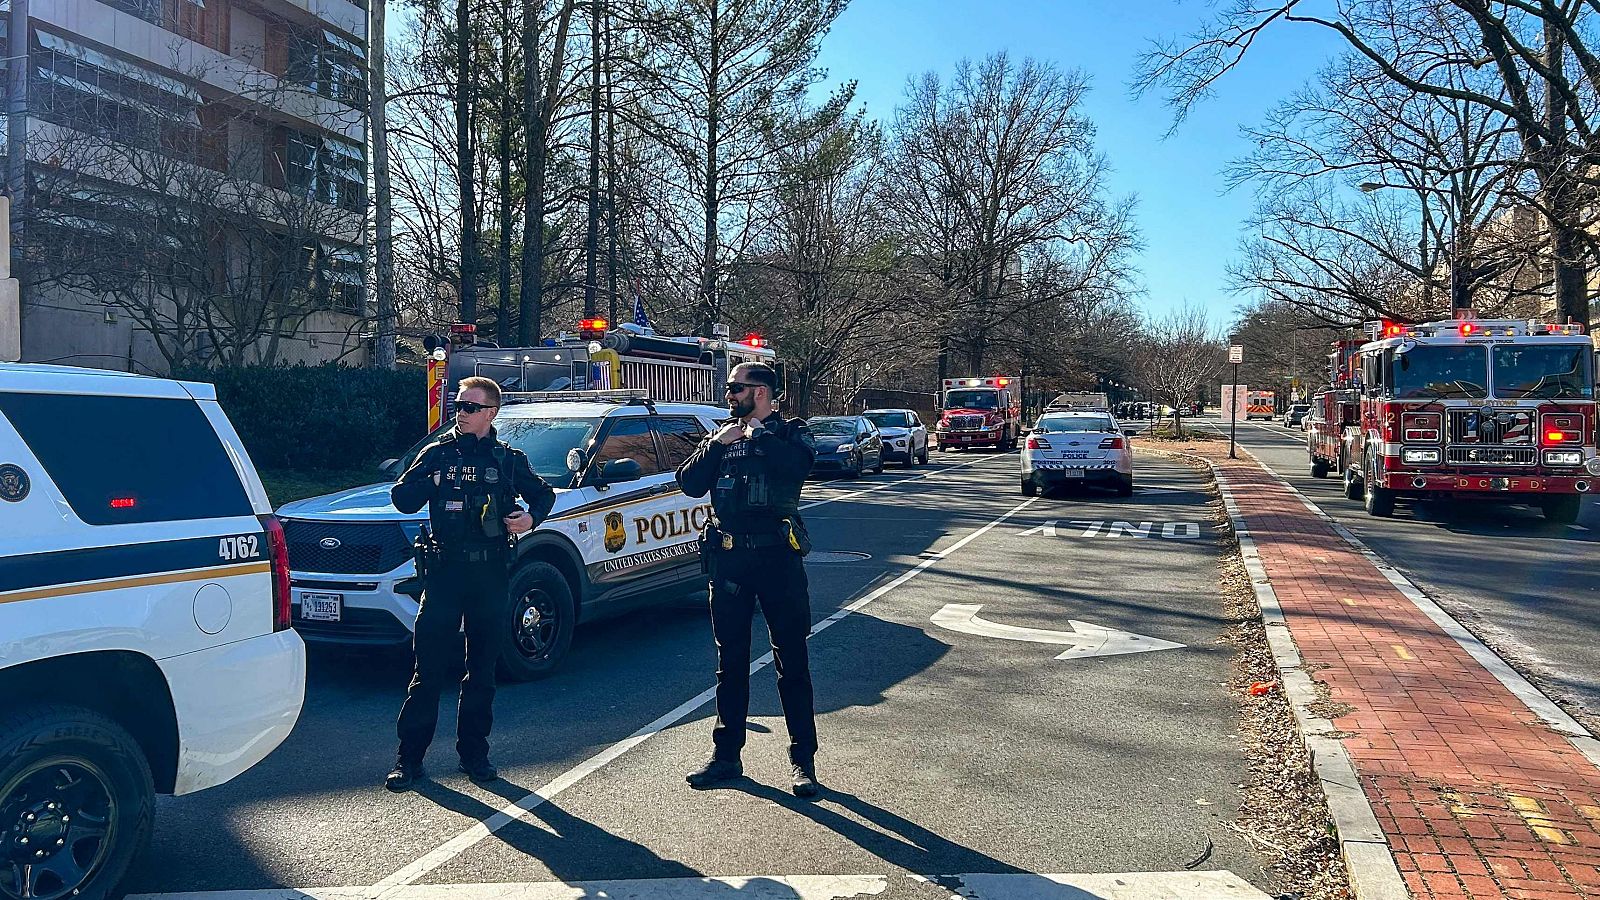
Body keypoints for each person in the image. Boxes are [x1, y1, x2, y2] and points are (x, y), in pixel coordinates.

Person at [385, 376, 557, 792]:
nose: (459, 413)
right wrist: (433, 482)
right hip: (445, 574)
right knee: (427, 671)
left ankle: (475, 755)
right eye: (458, 406)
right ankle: (409, 760)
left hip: (490, 574)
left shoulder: (507, 459)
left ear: (490, 413)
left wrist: (530, 519)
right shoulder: (438, 454)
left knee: (481, 671)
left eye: (469, 407)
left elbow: (543, 495)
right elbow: (402, 497)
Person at [675, 362, 821, 798]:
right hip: (730, 561)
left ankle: (803, 761)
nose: (728, 394)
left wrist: (759, 435)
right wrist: (716, 444)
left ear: (760, 392)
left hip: (778, 558)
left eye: (735, 388)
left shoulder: (790, 433)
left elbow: (795, 469)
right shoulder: (722, 437)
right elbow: (689, 483)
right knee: (731, 662)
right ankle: (726, 756)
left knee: (791, 661)